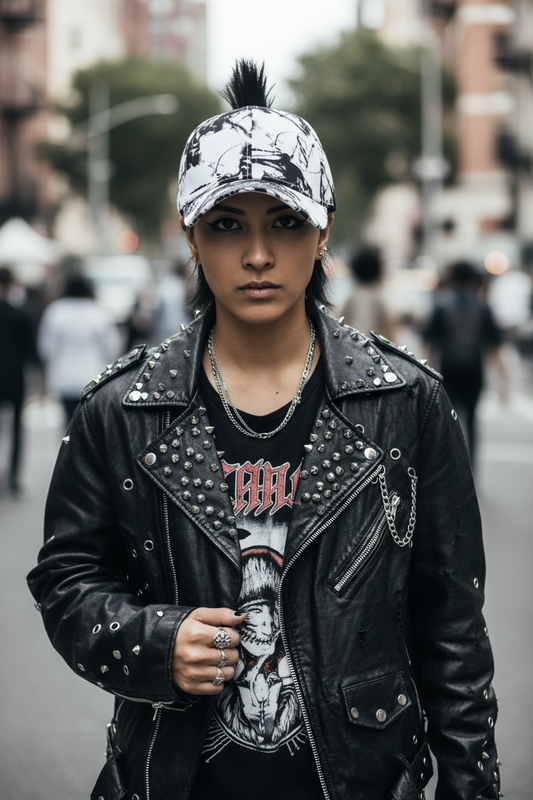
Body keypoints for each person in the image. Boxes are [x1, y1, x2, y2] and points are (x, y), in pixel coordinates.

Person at [28, 62, 501, 800]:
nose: (256, 254)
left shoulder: (407, 403)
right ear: (190, 235)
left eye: (284, 222)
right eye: (226, 225)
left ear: (323, 230)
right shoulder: (120, 409)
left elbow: (453, 628)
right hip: (170, 777)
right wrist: (152, 642)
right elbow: (66, 579)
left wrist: (469, 784)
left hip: (363, 777)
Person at [424, 261, 506, 469]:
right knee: (471, 422)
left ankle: (450, 470)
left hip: (448, 372)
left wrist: (425, 377)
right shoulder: (483, 308)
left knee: (448, 424)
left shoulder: (442, 307)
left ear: (452, 280)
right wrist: (503, 380)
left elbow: (431, 346)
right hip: (474, 371)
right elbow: (494, 347)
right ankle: (471, 469)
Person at [38, 274, 120, 425]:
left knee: (69, 422)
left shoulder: (55, 311)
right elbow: (111, 347)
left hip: (63, 376)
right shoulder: (99, 312)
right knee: (90, 423)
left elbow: (46, 348)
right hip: (93, 375)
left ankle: (69, 448)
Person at [0, 266, 36, 494]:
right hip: (14, 376)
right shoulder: (21, 314)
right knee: (17, 427)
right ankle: (13, 476)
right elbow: (30, 352)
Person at [341, 246, 396, 341]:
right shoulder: (380, 298)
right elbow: (390, 328)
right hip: (375, 351)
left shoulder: (351, 297)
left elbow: (339, 323)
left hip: (351, 348)